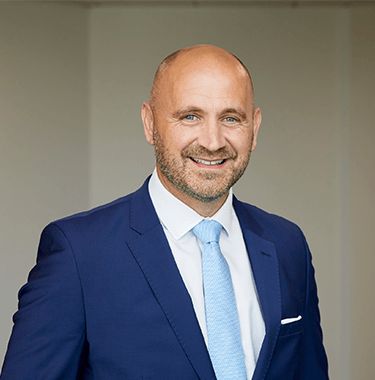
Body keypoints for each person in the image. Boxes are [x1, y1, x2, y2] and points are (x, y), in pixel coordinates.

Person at [0, 45, 328, 380]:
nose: (213, 141)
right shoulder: (79, 253)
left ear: (254, 128)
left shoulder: (287, 244)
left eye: (231, 118)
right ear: (149, 123)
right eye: (190, 116)